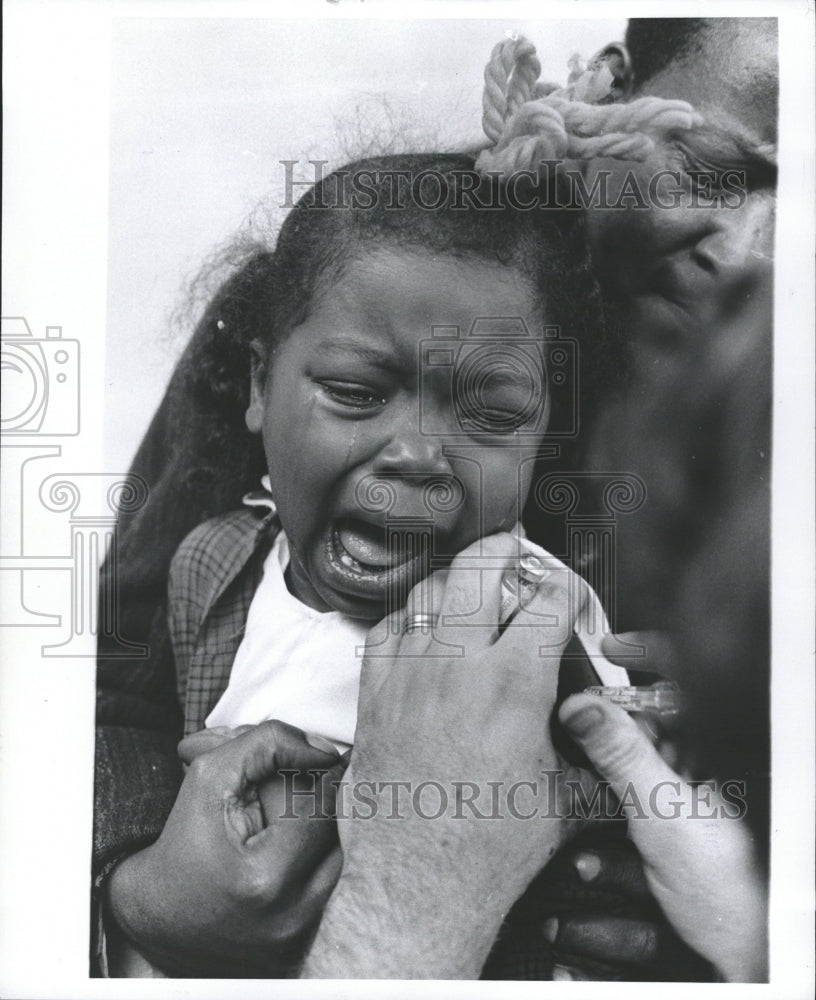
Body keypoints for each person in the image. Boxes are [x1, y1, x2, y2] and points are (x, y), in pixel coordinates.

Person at [94, 15, 776, 981]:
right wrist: (132, 888)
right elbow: (98, 686)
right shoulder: (348, 282)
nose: (759, 254)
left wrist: (761, 906)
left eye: (495, 415)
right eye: (719, 167)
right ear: (609, 89)